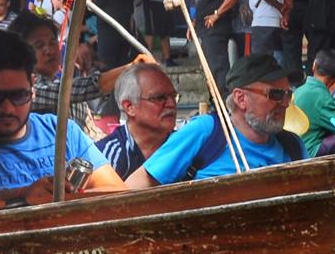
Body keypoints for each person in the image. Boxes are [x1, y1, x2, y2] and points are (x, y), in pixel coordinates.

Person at [0, 29, 125, 209]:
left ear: (33, 88)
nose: (7, 108)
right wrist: (23, 197)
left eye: (18, 96)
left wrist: (63, 198)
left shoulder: (63, 132)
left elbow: (117, 192)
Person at [125, 54, 304, 187]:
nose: (285, 103)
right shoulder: (207, 131)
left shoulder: (293, 145)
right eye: (276, 94)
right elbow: (136, 186)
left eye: (288, 94)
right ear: (241, 98)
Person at [15, 12, 132, 118]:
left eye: (52, 42)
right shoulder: (29, 90)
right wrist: (130, 69)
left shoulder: (58, 81)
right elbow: (73, 90)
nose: (49, 50)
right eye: (39, 46)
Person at [93, 62, 177, 178]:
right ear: (129, 107)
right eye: (159, 98)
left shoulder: (186, 145)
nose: (171, 104)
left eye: (173, 96)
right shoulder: (107, 156)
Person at [193, 0, 242, 89]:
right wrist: (195, 23)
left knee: (218, 69)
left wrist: (217, 14)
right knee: (210, 69)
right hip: (205, 31)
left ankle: (223, 97)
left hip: (215, 31)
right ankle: (215, 97)